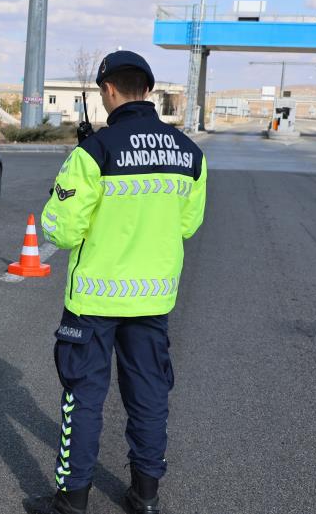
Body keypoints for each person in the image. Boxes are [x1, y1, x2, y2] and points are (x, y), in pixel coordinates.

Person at [26, 51, 207, 514]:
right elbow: (187, 224)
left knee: (83, 400)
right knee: (148, 396)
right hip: (153, 299)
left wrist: (60, 193)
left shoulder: (94, 152)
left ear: (108, 91)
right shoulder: (188, 153)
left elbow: (62, 231)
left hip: (94, 299)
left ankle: (73, 500)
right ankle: (145, 497)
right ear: (146, 90)